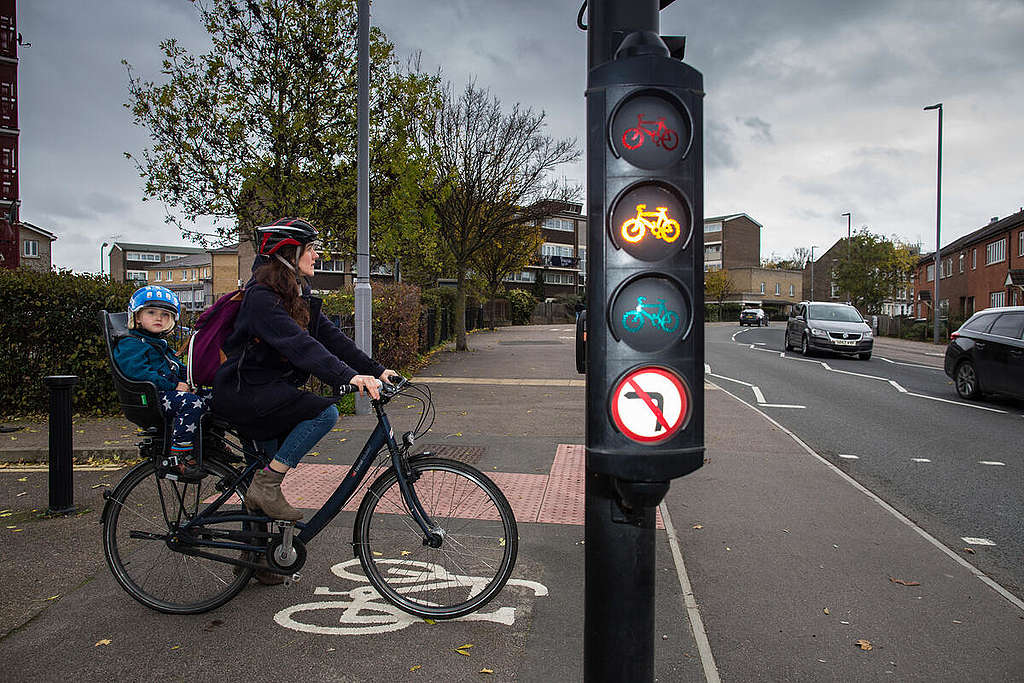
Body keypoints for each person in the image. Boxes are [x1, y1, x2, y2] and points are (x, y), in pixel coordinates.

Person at [213, 218, 398, 522]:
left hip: (267, 392)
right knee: (324, 414)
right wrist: (349, 377)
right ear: (288, 253)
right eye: (310, 249)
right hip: (245, 392)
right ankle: (266, 485)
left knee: (261, 490)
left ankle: (261, 560)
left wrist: (377, 370)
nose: (316, 256)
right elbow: (299, 344)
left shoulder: (296, 294)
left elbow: (331, 338)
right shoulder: (262, 297)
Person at [113, 285, 212, 479]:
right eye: (151, 312)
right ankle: (179, 455)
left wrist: (195, 379)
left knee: (214, 396)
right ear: (137, 317)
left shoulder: (158, 344)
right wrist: (174, 386)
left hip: (167, 394)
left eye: (165, 315)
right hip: (152, 398)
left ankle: (209, 443)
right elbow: (139, 373)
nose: (159, 318)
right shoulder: (131, 343)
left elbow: (179, 368)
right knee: (190, 403)